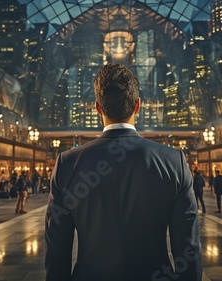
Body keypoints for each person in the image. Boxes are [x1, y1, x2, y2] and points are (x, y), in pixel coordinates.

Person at [45, 64, 202, 280]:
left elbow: (57, 252)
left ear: (98, 108)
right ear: (138, 106)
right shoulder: (174, 162)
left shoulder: (68, 163)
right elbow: (188, 250)